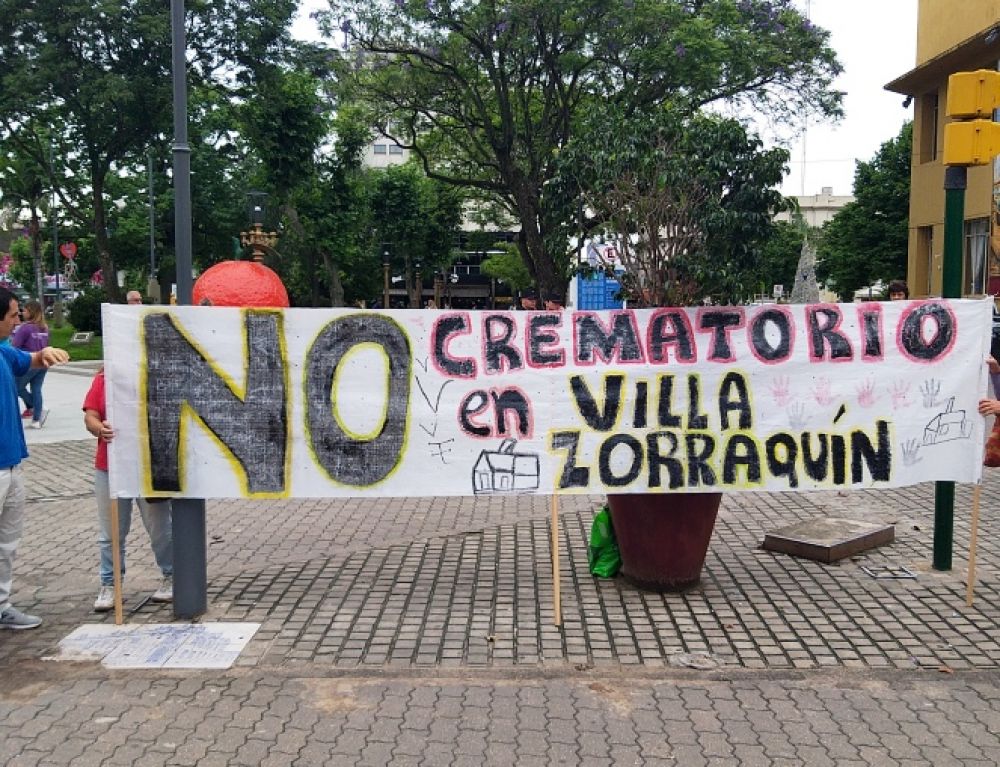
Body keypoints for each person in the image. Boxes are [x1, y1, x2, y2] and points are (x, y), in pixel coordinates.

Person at [0, 286, 70, 629]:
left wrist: (48, 353)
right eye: (13, 316)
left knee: (7, 543)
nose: (17, 323)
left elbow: (30, 360)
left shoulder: (3, 350)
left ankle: (2, 605)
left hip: (12, 462)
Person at [83, 367, 174, 611]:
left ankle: (172, 575)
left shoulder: (154, 374)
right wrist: (99, 428)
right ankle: (110, 584)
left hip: (147, 466)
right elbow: (90, 415)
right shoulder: (103, 378)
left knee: (160, 528)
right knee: (111, 532)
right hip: (110, 467)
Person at [12, 300, 50, 429]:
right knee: (36, 389)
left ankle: (35, 408)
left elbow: (15, 346)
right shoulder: (44, 328)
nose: (22, 313)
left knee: (17, 387)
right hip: (43, 362)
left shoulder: (25, 328)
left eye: (25, 310)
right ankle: (36, 419)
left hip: (29, 361)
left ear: (31, 312)